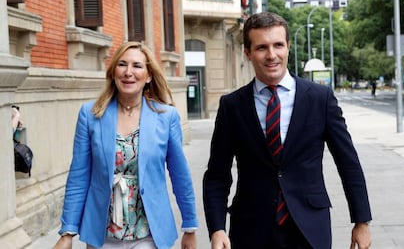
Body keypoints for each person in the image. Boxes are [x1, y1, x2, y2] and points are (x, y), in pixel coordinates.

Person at [203, 12, 372, 249]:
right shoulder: (232, 106)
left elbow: (348, 162)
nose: (272, 55)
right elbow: (217, 176)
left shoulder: (320, 99)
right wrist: (217, 228)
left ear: (288, 47)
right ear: (248, 52)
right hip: (251, 228)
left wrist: (361, 220)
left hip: (310, 227)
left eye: (278, 45)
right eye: (262, 47)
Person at [53, 41, 198, 249]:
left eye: (137, 66)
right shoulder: (90, 114)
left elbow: (180, 174)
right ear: (113, 72)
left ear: (148, 76)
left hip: (148, 233)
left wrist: (190, 226)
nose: (128, 72)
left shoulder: (166, 117)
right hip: (102, 235)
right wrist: (68, 231)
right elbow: (79, 175)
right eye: (122, 64)